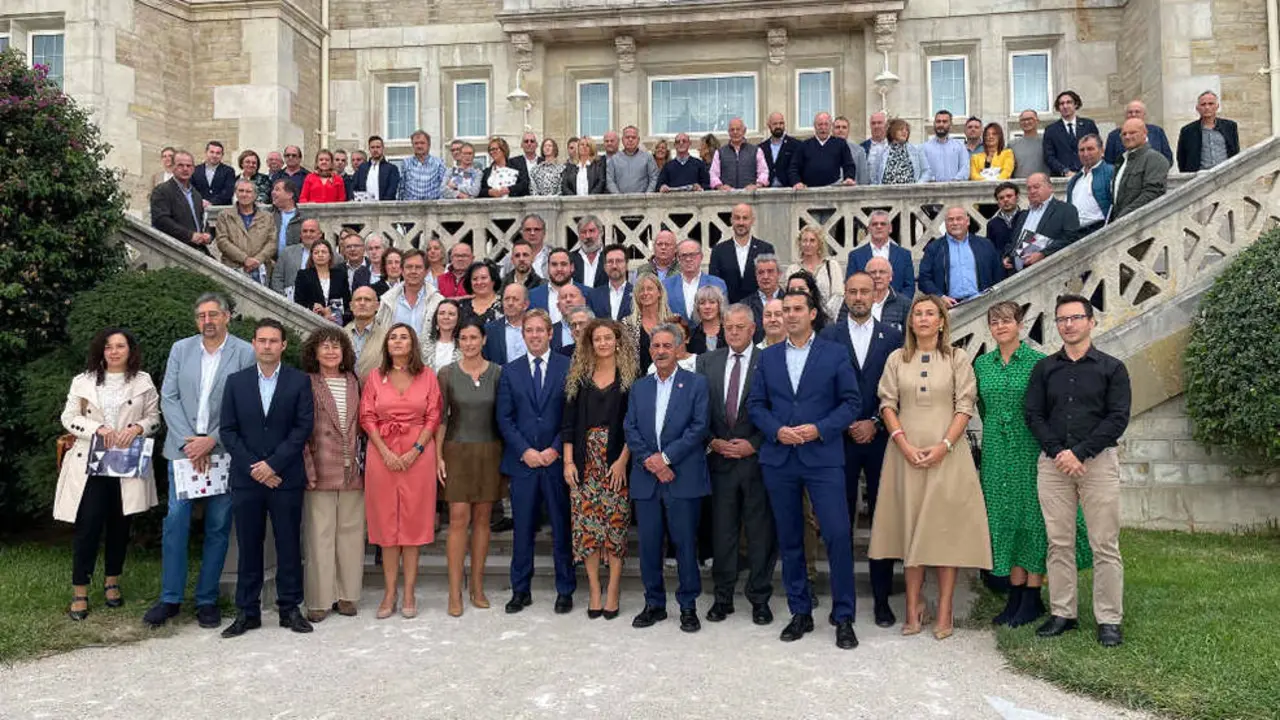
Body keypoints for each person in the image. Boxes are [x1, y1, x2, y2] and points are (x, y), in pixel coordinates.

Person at [870, 295, 992, 639]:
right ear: (911, 322)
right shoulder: (897, 358)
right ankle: (913, 606)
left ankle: (946, 608)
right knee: (911, 529)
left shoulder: (957, 358)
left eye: (930, 313)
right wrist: (903, 443)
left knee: (943, 531)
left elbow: (965, 406)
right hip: (904, 454)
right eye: (917, 313)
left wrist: (944, 446)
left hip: (947, 456)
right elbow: (887, 403)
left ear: (941, 321)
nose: (923, 319)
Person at [746, 289, 860, 649]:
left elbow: (851, 402)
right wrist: (775, 431)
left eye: (797, 309)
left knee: (838, 535)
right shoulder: (768, 358)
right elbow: (756, 405)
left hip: (822, 457)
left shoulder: (835, 353)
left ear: (812, 314)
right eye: (784, 310)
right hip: (780, 458)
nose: (790, 315)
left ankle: (843, 616)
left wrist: (820, 429)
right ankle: (800, 612)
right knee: (790, 538)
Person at [976, 301, 1094, 629]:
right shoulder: (982, 365)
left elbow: (1050, 408)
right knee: (1005, 518)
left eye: (1006, 321)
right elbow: (982, 407)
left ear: (1019, 324)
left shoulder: (1038, 363)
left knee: (1034, 519)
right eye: (994, 322)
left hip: (1029, 450)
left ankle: (1032, 595)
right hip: (997, 454)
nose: (1000, 327)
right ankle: (1015, 593)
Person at [143, 294, 255, 630]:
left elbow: (244, 403)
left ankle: (207, 599)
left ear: (227, 317)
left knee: (218, 525)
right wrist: (190, 442)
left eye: (214, 314)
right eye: (201, 315)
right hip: (183, 450)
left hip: (222, 451)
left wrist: (212, 440)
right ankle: (171, 598)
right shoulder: (181, 349)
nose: (207, 320)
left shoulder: (245, 353)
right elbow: (169, 396)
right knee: (176, 520)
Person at [1025, 294, 1131, 648]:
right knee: (1059, 542)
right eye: (1061, 319)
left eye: (1074, 318)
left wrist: (1081, 453)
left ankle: (1109, 619)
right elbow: (1034, 415)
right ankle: (1063, 613)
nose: (1067, 325)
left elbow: (1117, 418)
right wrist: (1059, 452)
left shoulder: (1112, 368)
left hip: (1097, 463)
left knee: (1104, 543)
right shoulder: (1045, 369)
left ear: (1090, 321)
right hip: (1054, 464)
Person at [219, 318, 316, 638]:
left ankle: (290, 609)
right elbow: (228, 431)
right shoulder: (236, 382)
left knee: (289, 544)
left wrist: (273, 465)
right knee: (249, 545)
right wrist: (256, 468)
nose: (268, 346)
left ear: (284, 345)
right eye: (262, 340)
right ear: (253, 344)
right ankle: (247, 612)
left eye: (274, 341)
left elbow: (302, 428)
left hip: (285, 478)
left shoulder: (299, 381)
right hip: (247, 480)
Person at [56, 328, 160, 621]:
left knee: (120, 524)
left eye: (120, 346)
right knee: (88, 526)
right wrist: (96, 429)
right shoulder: (83, 381)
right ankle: (80, 590)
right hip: (90, 461)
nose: (114, 351)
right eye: (108, 347)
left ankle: (112, 581)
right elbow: (68, 417)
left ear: (130, 350)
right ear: (101, 351)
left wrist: (137, 428)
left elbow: (154, 418)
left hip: (126, 462)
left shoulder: (143, 381)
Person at [820, 273, 905, 627]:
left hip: (881, 439)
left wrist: (874, 421)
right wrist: (846, 423)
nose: (857, 297)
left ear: (876, 294)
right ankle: (843, 597)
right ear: (845, 296)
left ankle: (882, 598)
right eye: (852, 292)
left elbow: (899, 389)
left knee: (883, 520)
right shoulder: (828, 337)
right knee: (840, 522)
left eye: (864, 292)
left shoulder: (894, 337)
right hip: (840, 442)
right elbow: (823, 389)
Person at [623, 322, 710, 633]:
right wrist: (652, 461)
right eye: (655, 346)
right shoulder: (639, 387)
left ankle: (688, 606)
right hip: (647, 479)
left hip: (681, 477)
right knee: (648, 546)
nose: (660, 351)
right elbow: (630, 428)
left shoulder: (696, 384)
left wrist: (667, 458)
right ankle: (654, 604)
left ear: (677, 349)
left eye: (666, 346)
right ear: (650, 351)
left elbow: (699, 427)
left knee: (685, 544)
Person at [697, 304, 777, 625]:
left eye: (740, 327)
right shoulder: (707, 362)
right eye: (728, 327)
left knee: (759, 534)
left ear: (753, 328)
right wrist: (711, 441)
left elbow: (777, 408)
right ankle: (723, 597)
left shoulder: (769, 361)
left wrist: (753, 444)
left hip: (756, 462)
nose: (733, 332)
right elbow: (697, 410)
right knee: (723, 534)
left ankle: (759, 597)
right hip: (719, 461)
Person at [495, 309, 577, 614]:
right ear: (523, 334)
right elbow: (504, 418)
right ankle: (520, 589)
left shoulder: (567, 367)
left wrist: (555, 449)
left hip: (556, 463)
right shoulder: (510, 371)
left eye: (540, 330)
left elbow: (571, 414)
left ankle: (565, 589)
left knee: (561, 526)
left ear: (551, 333)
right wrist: (525, 451)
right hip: (523, 464)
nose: (534, 335)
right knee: (523, 529)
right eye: (529, 330)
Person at [361, 323, 443, 619]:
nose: (397, 341)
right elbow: (366, 416)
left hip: (418, 452)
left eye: (403, 337)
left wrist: (416, 451)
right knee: (386, 526)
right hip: (381, 452)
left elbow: (433, 415)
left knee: (412, 524)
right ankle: (389, 592)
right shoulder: (375, 376)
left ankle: (408, 591)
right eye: (393, 337)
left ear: (413, 344)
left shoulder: (427, 376)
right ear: (386, 344)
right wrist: (384, 451)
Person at [563, 319, 637, 619]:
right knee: (588, 530)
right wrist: (568, 462)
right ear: (589, 343)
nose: (603, 343)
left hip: (616, 461)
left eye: (608, 338)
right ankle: (594, 589)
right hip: (584, 462)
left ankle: (614, 589)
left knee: (615, 529)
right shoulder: (578, 378)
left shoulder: (630, 378)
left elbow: (634, 424)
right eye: (598, 339)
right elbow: (567, 424)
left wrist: (622, 460)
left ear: (617, 341)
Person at [432, 319, 504, 616]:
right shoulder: (446, 374)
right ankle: (454, 591)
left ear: (484, 340)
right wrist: (437, 456)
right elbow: (441, 418)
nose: (469, 343)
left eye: (474, 337)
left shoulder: (498, 373)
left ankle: (476, 586)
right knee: (459, 518)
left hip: (489, 450)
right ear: (458, 341)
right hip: (456, 450)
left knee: (484, 519)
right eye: (464, 338)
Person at [299, 327, 365, 623]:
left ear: (345, 352)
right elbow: (300, 428)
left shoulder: (354, 381)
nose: (330, 351)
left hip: (352, 467)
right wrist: (306, 466)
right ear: (314, 352)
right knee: (320, 535)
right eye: (324, 346)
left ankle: (347, 595)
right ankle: (319, 599)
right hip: (320, 465)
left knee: (350, 534)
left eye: (336, 346)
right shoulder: (307, 383)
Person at [917, 206, 1004, 305]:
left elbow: (998, 275)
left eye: (959, 219)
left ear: (967, 221)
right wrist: (940, 296)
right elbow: (923, 279)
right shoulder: (934, 248)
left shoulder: (985, 245)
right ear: (945, 223)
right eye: (950, 220)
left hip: (983, 304)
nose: (955, 223)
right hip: (949, 306)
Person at [372, 249, 445, 362]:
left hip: (426, 365)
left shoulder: (438, 302)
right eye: (409, 267)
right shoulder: (388, 301)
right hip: (394, 365)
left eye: (418, 267)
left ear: (426, 271)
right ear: (402, 270)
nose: (413, 271)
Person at [1008, 173, 1081, 271]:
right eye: (1029, 188)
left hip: (1048, 270)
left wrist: (1043, 254)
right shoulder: (1022, 215)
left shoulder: (1066, 210)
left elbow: (1071, 238)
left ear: (1050, 188)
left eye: (1036, 187)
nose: (1032, 191)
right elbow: (1014, 241)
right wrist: (1008, 256)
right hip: (1018, 271)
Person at [708, 203, 775, 304]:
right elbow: (714, 285)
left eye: (745, 218)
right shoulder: (718, 250)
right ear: (731, 220)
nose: (741, 222)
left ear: (752, 221)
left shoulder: (765, 249)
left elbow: (770, 283)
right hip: (728, 312)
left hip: (758, 311)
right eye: (737, 218)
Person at [150, 150, 212, 253]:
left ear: (193, 169)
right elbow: (161, 220)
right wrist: (189, 235)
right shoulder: (161, 190)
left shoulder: (196, 194)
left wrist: (207, 234)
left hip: (198, 250)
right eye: (180, 165)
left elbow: (203, 220)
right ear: (173, 167)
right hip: (175, 251)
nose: (185, 169)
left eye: (189, 166)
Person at [1110, 118, 1171, 221]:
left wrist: (1123, 216)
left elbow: (1152, 194)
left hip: (1140, 224)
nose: (1127, 137)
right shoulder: (1121, 161)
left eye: (1132, 133)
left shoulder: (1155, 159)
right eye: (1124, 134)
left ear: (1144, 133)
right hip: (1120, 224)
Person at [215, 179, 275, 284]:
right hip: (232, 268)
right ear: (236, 193)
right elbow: (222, 241)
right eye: (241, 191)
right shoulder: (224, 215)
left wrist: (257, 260)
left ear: (255, 195)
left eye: (248, 191)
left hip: (259, 268)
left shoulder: (267, 217)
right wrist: (245, 259)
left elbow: (272, 242)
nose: (244, 194)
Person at [846, 210, 916, 298]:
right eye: (875, 224)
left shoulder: (904, 255)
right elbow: (851, 285)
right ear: (869, 229)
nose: (879, 227)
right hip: (866, 308)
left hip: (897, 308)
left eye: (883, 224)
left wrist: (899, 305)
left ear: (890, 228)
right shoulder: (855, 256)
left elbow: (909, 286)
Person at [789, 111, 865, 188]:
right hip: (810, 190)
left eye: (826, 124)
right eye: (820, 124)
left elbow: (849, 165)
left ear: (830, 126)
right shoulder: (804, 145)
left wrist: (849, 177)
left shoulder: (840, 144)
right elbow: (794, 168)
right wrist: (796, 182)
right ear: (815, 126)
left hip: (833, 190)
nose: (823, 128)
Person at [624, 271, 679, 372]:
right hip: (638, 382)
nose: (645, 293)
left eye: (650, 289)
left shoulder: (674, 322)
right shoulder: (627, 323)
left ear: (659, 292)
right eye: (641, 290)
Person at [785, 225, 843, 318]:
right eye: (804, 240)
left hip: (827, 320)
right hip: (801, 319)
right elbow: (790, 296)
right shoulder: (793, 269)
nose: (808, 244)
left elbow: (838, 295)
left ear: (819, 244)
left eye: (812, 240)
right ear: (800, 243)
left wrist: (821, 315)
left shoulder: (831, 266)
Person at [1176, 90, 1240, 173]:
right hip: (1199, 177)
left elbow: (1235, 151)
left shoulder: (1230, 126)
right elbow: (1182, 158)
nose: (1207, 107)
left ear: (1217, 106)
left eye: (1211, 104)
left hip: (1226, 174)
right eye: (1203, 104)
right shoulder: (1188, 131)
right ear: (1197, 108)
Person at [664, 239, 728, 322]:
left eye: (692, 254)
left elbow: (724, 315)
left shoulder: (718, 284)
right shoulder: (666, 285)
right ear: (678, 259)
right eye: (683, 255)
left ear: (701, 256)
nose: (688, 259)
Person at [293, 238, 352, 324]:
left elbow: (346, 300)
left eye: (324, 252)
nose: (320, 255)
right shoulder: (303, 275)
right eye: (316, 252)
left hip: (336, 320)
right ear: (312, 256)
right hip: (312, 320)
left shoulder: (340, 275)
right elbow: (299, 301)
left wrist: (330, 310)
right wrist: (313, 307)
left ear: (330, 255)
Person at [1042, 91, 1100, 177]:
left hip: (1089, 175)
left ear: (1075, 104)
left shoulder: (1088, 125)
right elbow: (1049, 157)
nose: (1065, 106)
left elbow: (1097, 149)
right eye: (1061, 104)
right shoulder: (1050, 130)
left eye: (1069, 102)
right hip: (1062, 177)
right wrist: (1065, 171)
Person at [1067, 135, 1114, 238]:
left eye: (1090, 149)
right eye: (1082, 150)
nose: (1085, 154)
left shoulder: (1111, 172)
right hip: (1074, 234)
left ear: (1102, 151)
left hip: (1098, 231)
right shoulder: (1075, 179)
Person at [529, 248, 589, 324]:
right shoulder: (532, 296)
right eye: (554, 264)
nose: (559, 269)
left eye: (563, 264)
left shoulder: (588, 294)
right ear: (548, 268)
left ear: (572, 267)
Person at [1104, 100, 1173, 165]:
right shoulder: (1114, 136)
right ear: (1125, 115)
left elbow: (1168, 158)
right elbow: (1109, 162)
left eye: (1137, 112)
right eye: (1130, 112)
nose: (1133, 114)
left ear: (1144, 115)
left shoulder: (1157, 132)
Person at [270, 217, 325, 297]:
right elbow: (277, 278)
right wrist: (284, 299)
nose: (308, 234)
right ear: (300, 234)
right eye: (305, 231)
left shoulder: (332, 255)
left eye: (312, 231)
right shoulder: (287, 253)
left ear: (320, 234)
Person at [710, 118, 768, 190]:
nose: (735, 132)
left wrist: (757, 185)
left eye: (738, 129)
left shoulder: (756, 151)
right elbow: (713, 174)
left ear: (744, 131)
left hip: (750, 196)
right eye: (732, 130)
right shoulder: (719, 152)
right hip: (727, 197)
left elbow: (764, 172)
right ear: (728, 132)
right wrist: (720, 186)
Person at [869, 118, 932, 184]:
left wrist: (918, 185)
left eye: (906, 130)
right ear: (893, 131)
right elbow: (874, 178)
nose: (904, 132)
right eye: (901, 129)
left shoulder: (917, 150)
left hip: (910, 192)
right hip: (887, 193)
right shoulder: (881, 152)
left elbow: (926, 171)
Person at [483, 283, 529, 365]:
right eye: (506, 299)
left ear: (525, 305)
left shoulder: (537, 329)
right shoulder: (489, 330)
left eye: (515, 299)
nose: (510, 303)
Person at [346, 285, 386, 381]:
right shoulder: (341, 335)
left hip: (375, 393)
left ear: (377, 306)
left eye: (367, 300)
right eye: (358, 299)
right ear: (351, 306)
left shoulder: (387, 336)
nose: (362, 303)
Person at [607, 125, 659, 194]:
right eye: (627, 137)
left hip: (642, 201)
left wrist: (647, 195)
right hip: (620, 201)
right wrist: (618, 196)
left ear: (638, 140)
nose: (630, 139)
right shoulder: (614, 159)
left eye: (633, 137)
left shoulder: (647, 158)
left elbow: (654, 178)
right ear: (622, 140)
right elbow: (609, 180)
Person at [920, 111, 970, 182]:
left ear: (951, 124)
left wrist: (955, 181)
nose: (941, 124)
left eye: (944, 121)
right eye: (938, 121)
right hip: (931, 190)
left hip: (954, 190)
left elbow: (965, 168)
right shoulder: (924, 148)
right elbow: (923, 170)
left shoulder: (960, 146)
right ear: (934, 124)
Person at [863, 257, 910, 333]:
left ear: (890, 276)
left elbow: (909, 336)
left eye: (882, 272)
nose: (877, 276)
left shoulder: (905, 304)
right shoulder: (854, 301)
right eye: (873, 272)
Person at [743, 253, 783, 341]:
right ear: (756, 276)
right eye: (761, 272)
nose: (765, 276)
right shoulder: (745, 305)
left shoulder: (789, 302)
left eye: (770, 271)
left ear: (779, 274)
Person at [588, 244, 633, 321]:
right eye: (610, 261)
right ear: (605, 267)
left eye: (619, 261)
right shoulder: (593, 295)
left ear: (627, 265)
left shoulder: (637, 293)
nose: (614, 266)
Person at [500, 214, 552, 280]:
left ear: (544, 232)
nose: (532, 233)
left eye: (536, 229)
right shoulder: (511, 257)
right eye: (528, 230)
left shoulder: (553, 256)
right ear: (522, 233)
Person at [398, 131, 446, 201]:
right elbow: (401, 187)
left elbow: (443, 187)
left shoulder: (439, 163)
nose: (419, 146)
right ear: (412, 145)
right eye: (416, 143)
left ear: (429, 145)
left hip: (432, 207)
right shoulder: (406, 163)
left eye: (422, 143)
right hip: (411, 207)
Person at [351, 135, 401, 201]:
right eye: (372, 147)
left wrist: (382, 205)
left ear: (382, 148)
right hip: (365, 207)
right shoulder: (362, 168)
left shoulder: (392, 169)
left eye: (378, 147)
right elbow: (354, 188)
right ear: (369, 149)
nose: (375, 150)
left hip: (385, 207)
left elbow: (392, 190)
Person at [988, 182, 1027, 264]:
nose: (1005, 200)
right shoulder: (992, 224)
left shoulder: (1026, 216)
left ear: (1017, 197)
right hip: (1002, 268)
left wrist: (1013, 258)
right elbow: (992, 249)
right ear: (997, 201)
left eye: (1009, 196)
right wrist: (1001, 260)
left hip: (1025, 263)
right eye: (1001, 198)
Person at [785, 270, 831, 334]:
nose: (796, 293)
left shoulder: (825, 324)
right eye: (792, 290)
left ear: (811, 292)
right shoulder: (781, 318)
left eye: (801, 289)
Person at [191, 140, 236, 207]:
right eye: (212, 152)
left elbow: (228, 192)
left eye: (218, 153)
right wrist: (200, 201)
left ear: (222, 155)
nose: (214, 155)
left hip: (222, 209)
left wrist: (211, 203)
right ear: (206, 153)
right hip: (199, 208)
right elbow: (191, 189)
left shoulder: (229, 171)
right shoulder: (195, 170)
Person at [459, 260, 503, 326]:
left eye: (483, 278)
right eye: (475, 279)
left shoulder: (506, 304)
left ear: (493, 280)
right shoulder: (461, 306)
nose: (479, 282)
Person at [763, 112, 801, 187]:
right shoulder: (762, 147)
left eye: (781, 123)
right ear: (769, 125)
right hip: (766, 191)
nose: (778, 126)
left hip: (789, 190)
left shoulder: (796, 145)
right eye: (775, 124)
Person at [687, 285, 727, 354]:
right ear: (697, 308)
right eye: (702, 303)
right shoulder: (690, 336)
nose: (707, 307)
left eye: (712, 302)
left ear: (719, 305)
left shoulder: (729, 332)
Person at [1009, 109, 1048, 179]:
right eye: (1023, 120)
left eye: (1030, 119)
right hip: (1019, 185)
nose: (1026, 122)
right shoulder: (1012, 144)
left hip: (1042, 185)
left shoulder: (1047, 141)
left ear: (1037, 121)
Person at [270, 178, 303, 257]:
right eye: (273, 189)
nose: (273, 193)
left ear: (290, 194)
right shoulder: (269, 217)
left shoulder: (302, 218)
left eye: (277, 189)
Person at [572, 215, 607, 288]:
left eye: (591, 231)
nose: (587, 236)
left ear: (601, 232)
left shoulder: (609, 257)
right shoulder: (570, 258)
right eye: (583, 232)